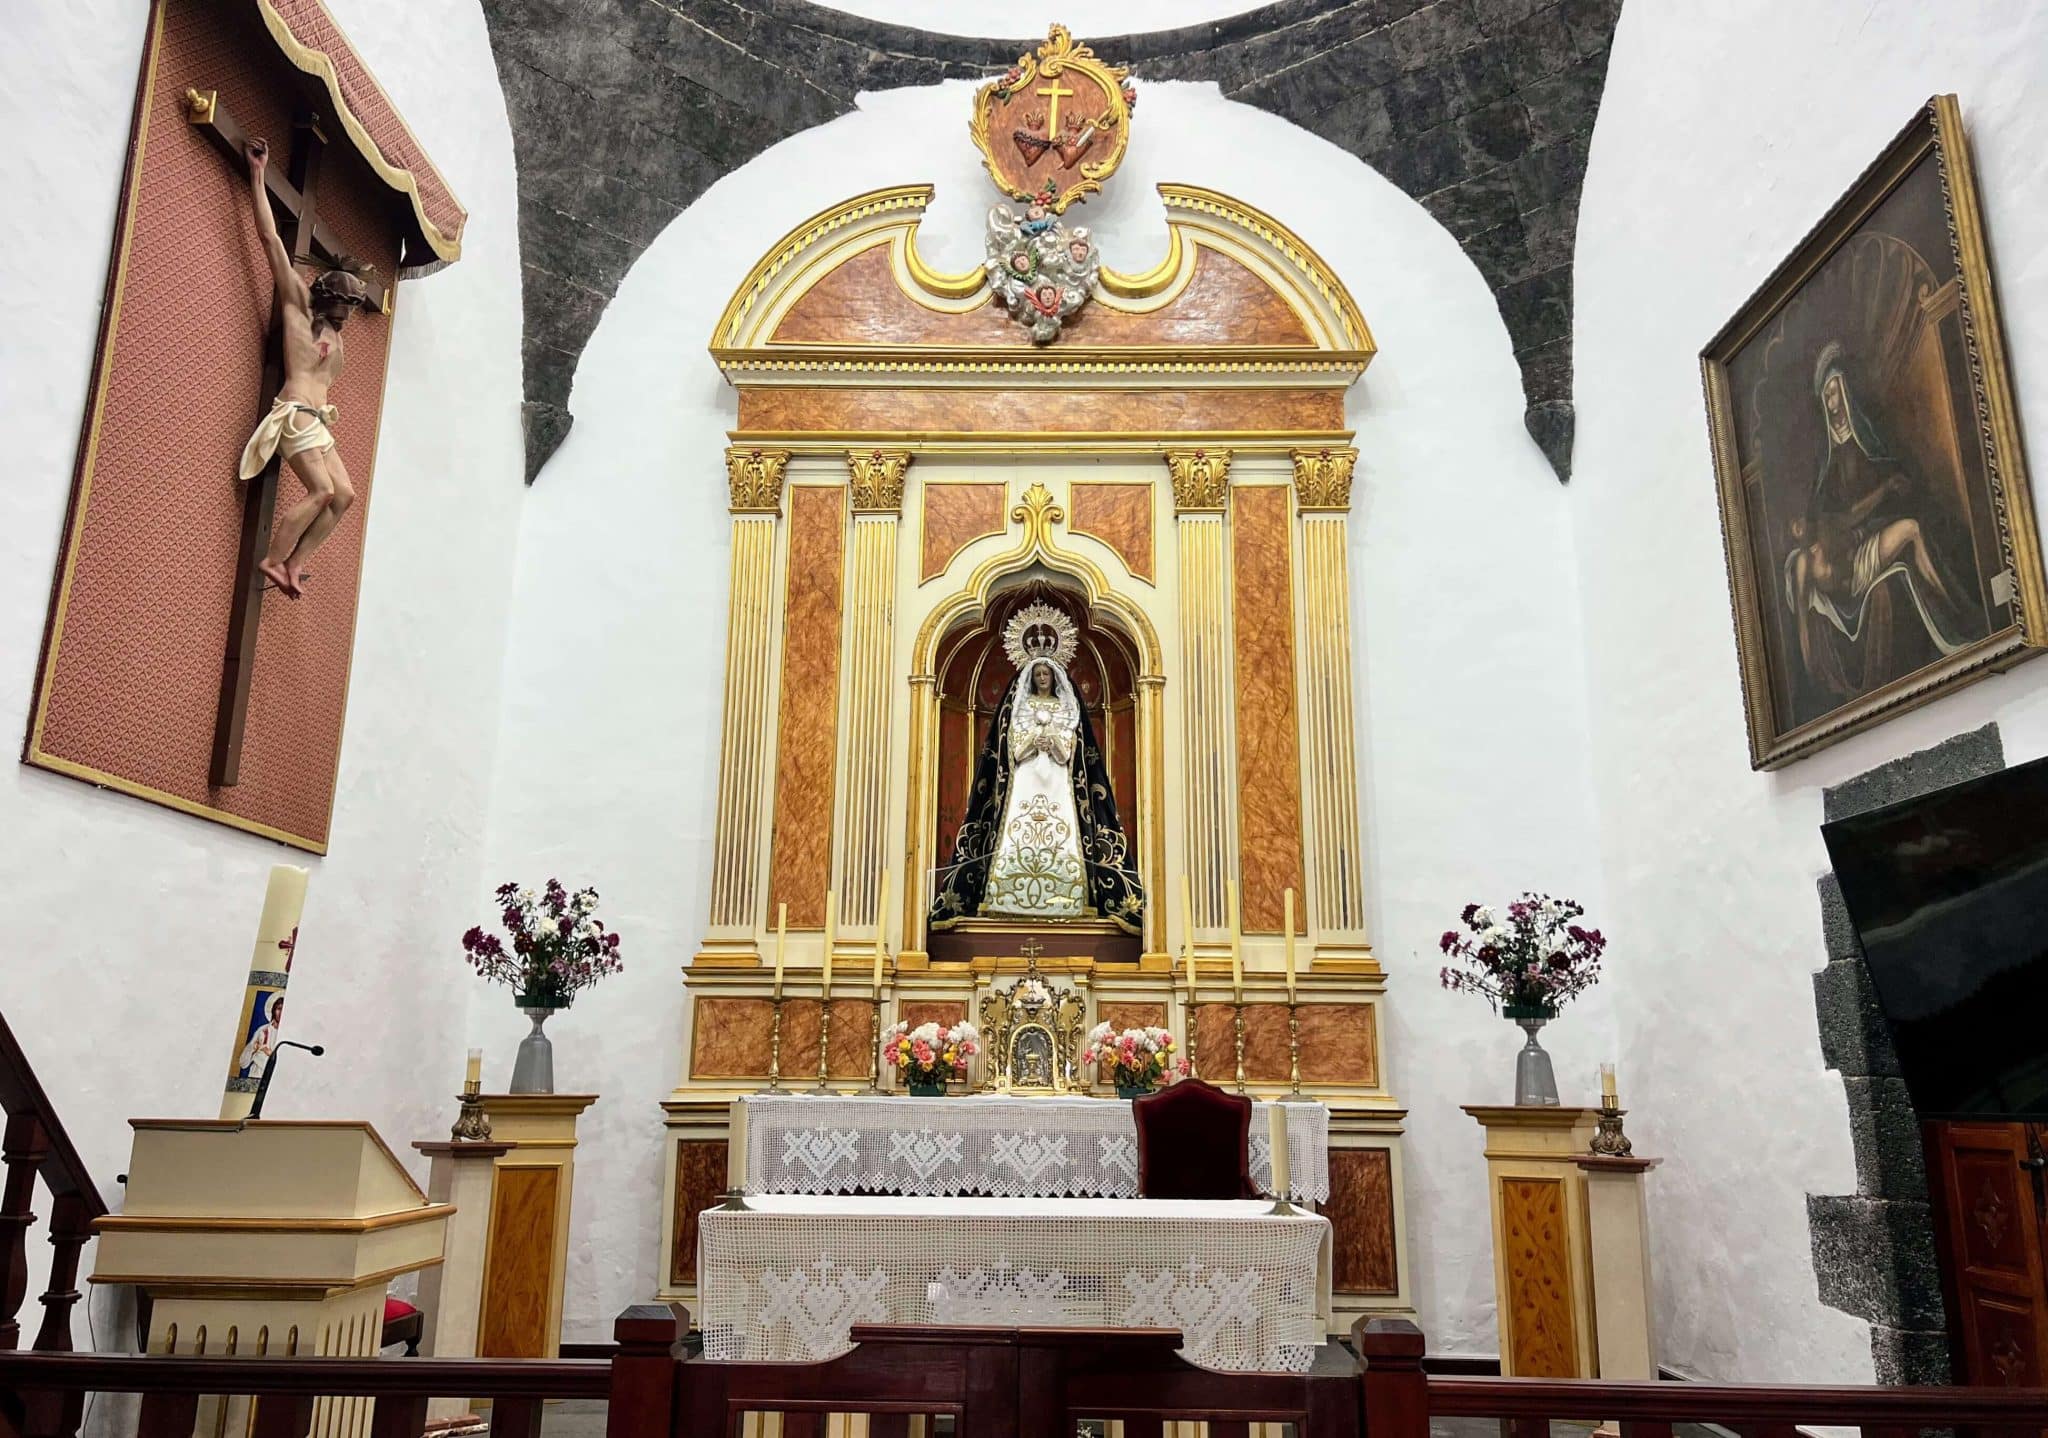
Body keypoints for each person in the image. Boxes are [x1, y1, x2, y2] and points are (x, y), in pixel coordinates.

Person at [236, 138, 374, 599]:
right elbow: (270, 239)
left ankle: (294, 564)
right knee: (320, 492)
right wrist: (258, 176)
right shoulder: (297, 308)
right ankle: (273, 559)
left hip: (316, 422)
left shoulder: (336, 341)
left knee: (345, 497)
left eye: (353, 306)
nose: (349, 313)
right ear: (328, 297)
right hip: (295, 414)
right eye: (344, 303)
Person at [983, 658, 1089, 919]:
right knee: (1020, 823)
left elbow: (1066, 757)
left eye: (1047, 673)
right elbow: (1016, 753)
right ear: (1031, 677)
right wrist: (1033, 741)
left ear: (1055, 677)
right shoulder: (1021, 706)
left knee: (1059, 823)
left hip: (1055, 777)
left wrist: (1051, 741)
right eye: (1038, 673)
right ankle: (1009, 893)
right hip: (1027, 776)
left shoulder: (1065, 707)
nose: (1042, 678)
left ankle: (1065, 892)